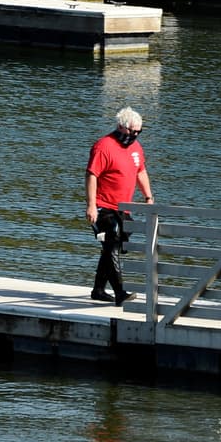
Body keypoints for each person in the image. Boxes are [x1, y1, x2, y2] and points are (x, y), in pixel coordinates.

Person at [85, 106, 154, 305]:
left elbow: (140, 171)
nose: (135, 135)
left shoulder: (136, 148)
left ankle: (98, 290)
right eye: (132, 131)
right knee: (111, 243)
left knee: (114, 245)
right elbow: (92, 175)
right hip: (103, 206)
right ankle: (120, 293)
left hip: (124, 207)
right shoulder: (103, 146)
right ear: (121, 127)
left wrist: (148, 197)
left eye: (139, 132)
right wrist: (91, 205)